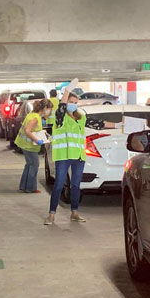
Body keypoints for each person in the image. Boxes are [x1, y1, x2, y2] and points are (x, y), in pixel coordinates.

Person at [45, 79, 122, 225]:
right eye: (71, 101)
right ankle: (51, 214)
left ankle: (74, 212)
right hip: (64, 156)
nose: (74, 104)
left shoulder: (81, 117)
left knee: (75, 185)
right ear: (67, 102)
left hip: (79, 156)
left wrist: (119, 125)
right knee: (59, 185)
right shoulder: (61, 118)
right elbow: (61, 107)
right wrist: (68, 90)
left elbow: (99, 124)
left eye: (76, 102)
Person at [15, 99, 53, 193]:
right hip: (29, 146)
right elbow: (27, 131)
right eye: (49, 109)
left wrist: (43, 133)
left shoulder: (33, 115)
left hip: (25, 144)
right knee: (34, 165)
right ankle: (30, 188)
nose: (49, 111)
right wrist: (37, 140)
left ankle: (24, 186)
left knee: (29, 164)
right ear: (44, 108)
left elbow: (34, 129)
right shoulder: (35, 118)